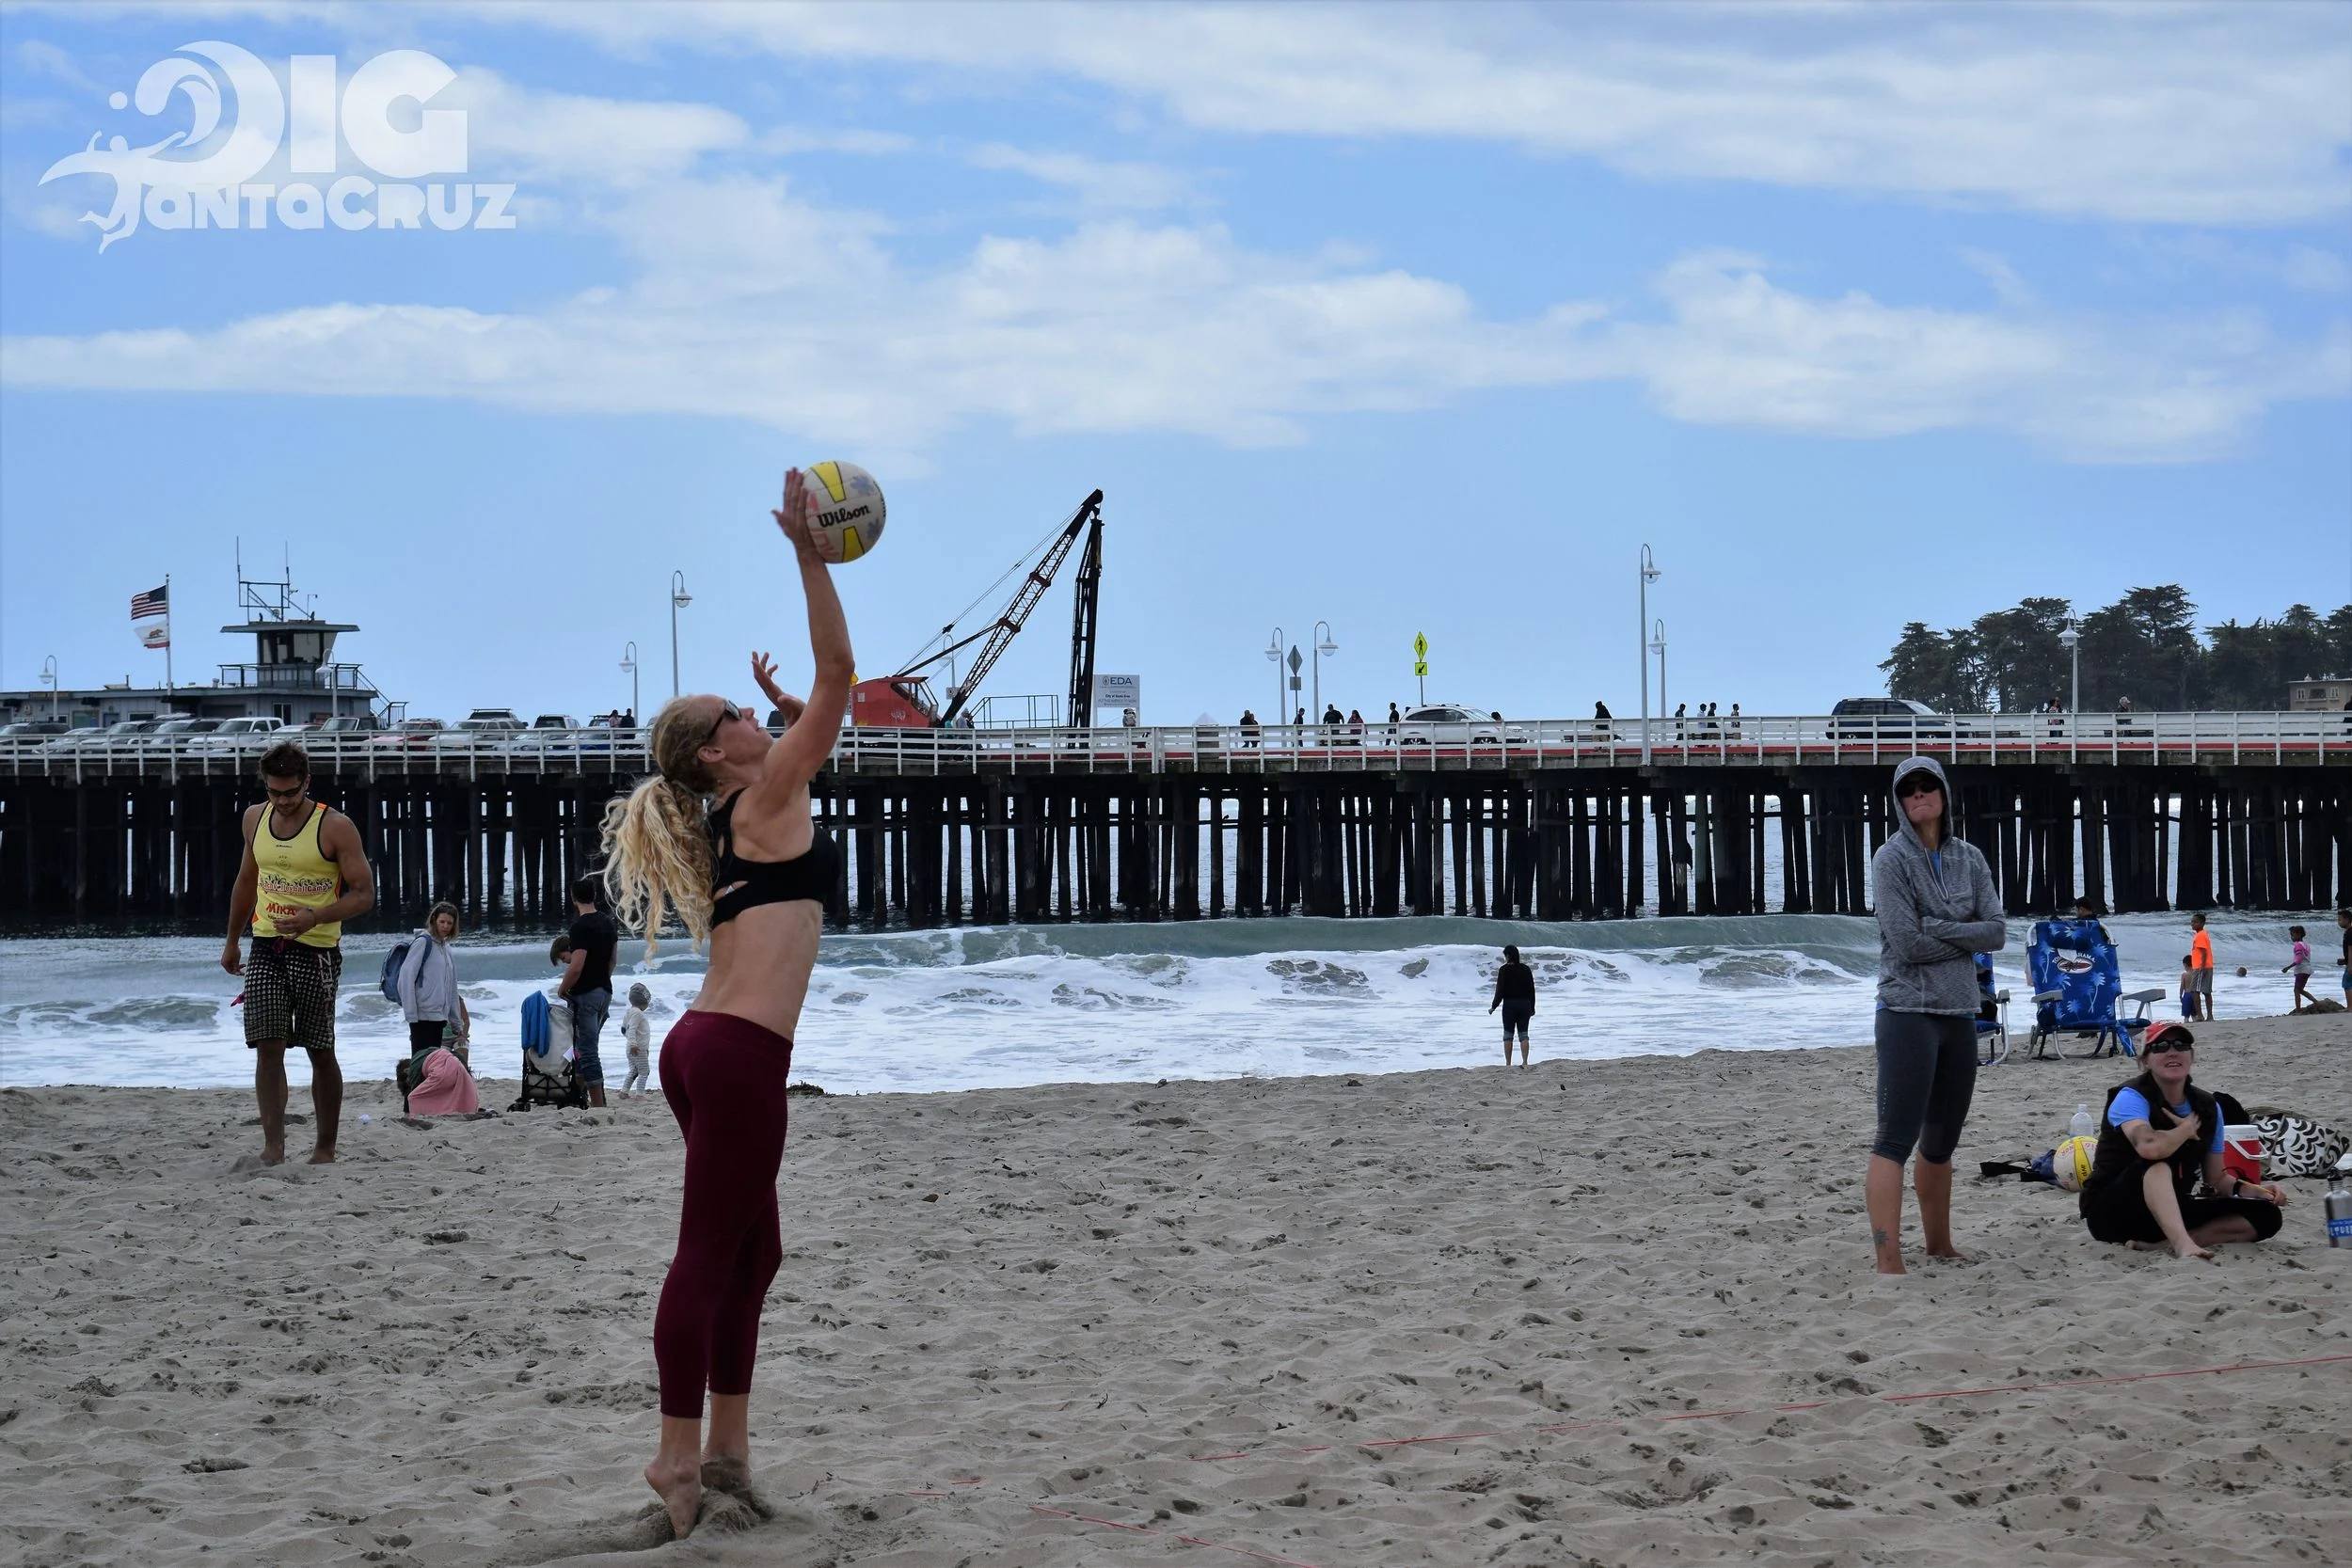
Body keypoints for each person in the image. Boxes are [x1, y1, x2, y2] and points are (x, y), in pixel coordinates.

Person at [599, 468, 853, 1539]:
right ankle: (675, 1455)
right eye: (738, 713)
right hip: (739, 1053)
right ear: (715, 752)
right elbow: (841, 675)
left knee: (754, 1253)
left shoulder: (749, 804)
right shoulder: (763, 794)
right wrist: (807, 554)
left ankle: (728, 1453)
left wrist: (786, 713)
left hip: (705, 1047)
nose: (754, 717)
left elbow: (820, 715)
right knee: (708, 1255)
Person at [1866, 756, 2003, 1275]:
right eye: (1908, 789)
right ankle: (1889, 1261)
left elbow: (1996, 931)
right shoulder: (1890, 859)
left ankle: (1939, 1244)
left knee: (1942, 1141)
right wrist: (1963, 935)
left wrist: (1937, 927)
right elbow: (1906, 943)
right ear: (1899, 802)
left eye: (1927, 786)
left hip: (1960, 1011)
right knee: (1894, 1140)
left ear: (1944, 793)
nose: (1918, 794)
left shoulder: (1970, 858)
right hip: (1906, 1011)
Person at [221, 740, 376, 1165]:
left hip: (317, 950)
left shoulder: (335, 826)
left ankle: (324, 1148)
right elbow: (246, 881)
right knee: (267, 1046)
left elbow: (364, 894)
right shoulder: (254, 818)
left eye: (291, 792)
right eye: (274, 792)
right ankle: (274, 1147)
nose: (283, 801)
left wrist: (316, 917)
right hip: (265, 945)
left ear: (307, 782)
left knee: (319, 1049)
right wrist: (232, 939)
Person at [2077, 1022, 2285, 1260]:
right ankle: (2182, 1244)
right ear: (2146, 1061)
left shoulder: (2207, 1107)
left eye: (2181, 1045)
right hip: (2113, 1212)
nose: (2172, 1051)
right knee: (2156, 1162)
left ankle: (2164, 1245)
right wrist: (2183, 1131)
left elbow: (2217, 1179)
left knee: (2267, 1216)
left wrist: (2254, 1191)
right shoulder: (2131, 1097)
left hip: (2169, 1210)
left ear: (2191, 1056)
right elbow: (2149, 1147)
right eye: (2160, 1046)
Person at [558, 876, 621, 1108]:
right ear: (594, 896)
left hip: (585, 994)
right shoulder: (608, 922)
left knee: (586, 1050)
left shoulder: (580, 927)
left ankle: (598, 1104)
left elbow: (576, 967)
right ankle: (576, 1095)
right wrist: (603, 981)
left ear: (573, 898)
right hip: (605, 992)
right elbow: (613, 960)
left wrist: (562, 989)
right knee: (583, 1046)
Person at [395, 900, 470, 1067]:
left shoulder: (446, 948)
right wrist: (411, 1014)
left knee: (433, 1064)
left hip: (439, 1016)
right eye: (442, 921)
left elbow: (452, 988)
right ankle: (415, 1085)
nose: (445, 926)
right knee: (420, 1063)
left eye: (449, 923)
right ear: (434, 920)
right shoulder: (423, 942)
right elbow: (406, 977)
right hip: (421, 1015)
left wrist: (456, 1022)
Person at [1488, 944, 1535, 1067]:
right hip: (1525, 1005)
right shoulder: (1526, 969)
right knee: (1524, 1034)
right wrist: (1532, 1007)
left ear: (1508, 956)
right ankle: (1525, 1062)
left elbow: (1500, 991)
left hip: (1509, 1005)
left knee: (1508, 1035)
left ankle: (1508, 1063)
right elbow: (1531, 990)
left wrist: (1494, 1006)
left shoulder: (1504, 970)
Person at [622, 982, 654, 1095]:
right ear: (644, 1001)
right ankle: (639, 1094)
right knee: (644, 1071)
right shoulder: (638, 1013)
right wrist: (634, 1044)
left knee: (634, 1070)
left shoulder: (629, 1012)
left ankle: (624, 1092)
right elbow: (631, 1029)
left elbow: (623, 1029)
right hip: (638, 1048)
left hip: (631, 1048)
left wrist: (630, 1042)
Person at [2188, 911, 2215, 1022]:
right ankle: (2209, 1016)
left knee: (2194, 990)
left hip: (2201, 967)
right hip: (2205, 966)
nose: (2192, 924)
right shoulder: (2202, 934)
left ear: (2202, 923)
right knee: (2206, 991)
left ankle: (2200, 1015)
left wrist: (2202, 967)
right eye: (2192, 922)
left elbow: (2204, 952)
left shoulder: (2200, 935)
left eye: (2195, 922)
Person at [2282, 925, 2313, 1012]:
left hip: (2301, 970)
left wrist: (2288, 967)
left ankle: (2298, 1010)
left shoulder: (2298, 946)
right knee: (2300, 990)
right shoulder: (2306, 945)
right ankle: (2316, 1002)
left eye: (2292, 935)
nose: (2291, 937)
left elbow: (2298, 960)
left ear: (2299, 934)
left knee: (2296, 990)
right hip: (2308, 969)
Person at [2337, 909, 2351, 1009]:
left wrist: (2350, 965)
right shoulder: (2348, 932)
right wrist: (2345, 961)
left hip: (2351, 964)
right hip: (2349, 962)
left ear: (2347, 920)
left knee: (2346, 984)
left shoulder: (2350, 933)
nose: (2338, 922)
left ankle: (2350, 1007)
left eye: (2340, 920)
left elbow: (2351, 949)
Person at [2177, 954, 2197, 1022]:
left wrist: (2180, 995)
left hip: (2187, 995)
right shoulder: (2195, 973)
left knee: (2186, 1015)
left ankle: (2186, 1023)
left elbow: (2182, 986)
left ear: (2185, 965)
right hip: (2195, 995)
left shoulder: (2184, 975)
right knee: (2194, 1015)